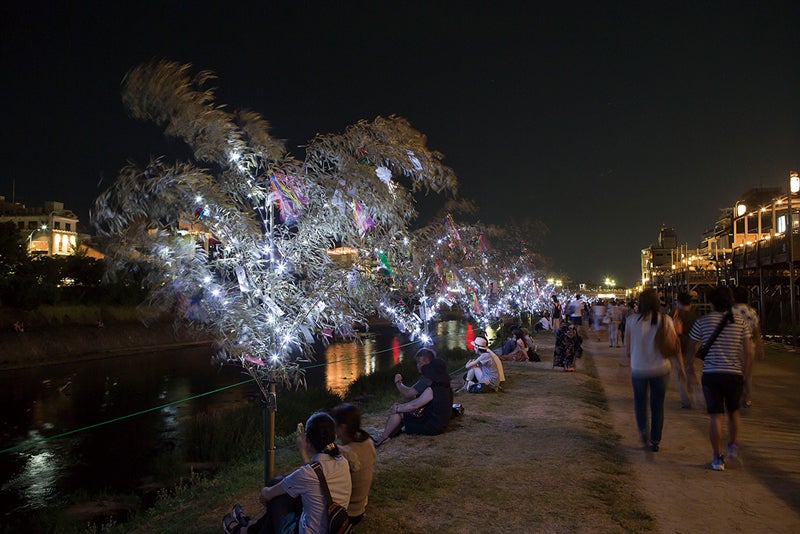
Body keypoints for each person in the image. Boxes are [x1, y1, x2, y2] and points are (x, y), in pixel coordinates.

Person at [222, 412, 351, 534]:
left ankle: (245, 531)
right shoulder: (342, 462)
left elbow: (266, 494)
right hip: (330, 527)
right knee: (283, 487)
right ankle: (252, 526)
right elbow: (317, 477)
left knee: (275, 495)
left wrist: (266, 495)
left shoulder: (307, 474)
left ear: (308, 441)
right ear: (334, 437)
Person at [687, 286, 753, 471]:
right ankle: (732, 446)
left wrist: (690, 369)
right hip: (734, 374)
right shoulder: (740, 322)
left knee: (715, 416)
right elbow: (748, 352)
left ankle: (717, 458)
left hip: (711, 374)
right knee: (734, 412)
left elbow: (691, 348)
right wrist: (745, 374)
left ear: (711, 302)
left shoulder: (703, 322)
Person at [624, 289, 686, 452]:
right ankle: (655, 440)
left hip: (638, 368)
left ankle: (643, 431)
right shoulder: (665, 320)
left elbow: (627, 349)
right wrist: (681, 368)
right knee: (657, 405)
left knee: (640, 403)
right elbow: (675, 346)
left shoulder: (631, 320)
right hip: (661, 369)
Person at [374, 358, 453, 446]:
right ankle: (389, 435)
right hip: (441, 423)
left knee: (398, 413)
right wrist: (402, 407)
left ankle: (382, 438)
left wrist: (398, 408)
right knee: (404, 413)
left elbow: (415, 405)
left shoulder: (432, 390)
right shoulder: (446, 387)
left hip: (432, 426)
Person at [332, 403, 375, 525]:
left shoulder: (346, 455)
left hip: (345, 515)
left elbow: (314, 477)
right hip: (359, 509)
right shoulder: (368, 443)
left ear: (343, 427)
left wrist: (304, 451)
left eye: (335, 425)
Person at [732, 286, 764, 408]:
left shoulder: (731, 311)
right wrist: (760, 347)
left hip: (734, 346)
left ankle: (737, 396)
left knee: (735, 373)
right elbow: (757, 331)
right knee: (748, 374)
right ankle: (747, 398)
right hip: (750, 346)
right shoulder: (752, 311)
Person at [672, 292, 698, 408]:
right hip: (692, 347)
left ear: (678, 302)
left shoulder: (673, 314)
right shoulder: (695, 316)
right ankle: (694, 395)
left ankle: (685, 399)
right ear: (690, 303)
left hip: (676, 347)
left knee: (680, 372)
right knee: (692, 370)